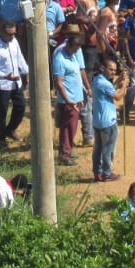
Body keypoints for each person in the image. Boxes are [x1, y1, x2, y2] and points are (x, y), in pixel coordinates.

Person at [0, 20, 29, 143]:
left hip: (16, 83)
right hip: (2, 85)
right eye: (9, 34)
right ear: (2, 32)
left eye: (13, 34)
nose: (12, 37)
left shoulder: (14, 42)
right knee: (2, 112)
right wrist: (5, 76)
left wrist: (27, 71)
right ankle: (1, 137)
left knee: (21, 107)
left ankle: (10, 130)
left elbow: (19, 58)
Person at [53, 24, 89, 166]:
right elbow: (59, 83)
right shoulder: (60, 57)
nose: (76, 51)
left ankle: (68, 152)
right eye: (75, 49)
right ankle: (65, 155)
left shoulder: (72, 55)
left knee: (72, 128)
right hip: (68, 101)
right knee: (67, 128)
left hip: (76, 98)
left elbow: (79, 73)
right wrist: (68, 100)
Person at [91, 56, 124, 181]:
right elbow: (118, 96)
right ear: (102, 68)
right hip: (108, 122)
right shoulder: (104, 83)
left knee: (98, 148)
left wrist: (119, 80)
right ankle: (106, 173)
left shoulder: (97, 80)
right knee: (108, 149)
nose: (113, 72)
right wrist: (125, 85)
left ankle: (97, 172)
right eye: (111, 70)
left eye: (115, 70)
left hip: (98, 121)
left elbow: (110, 88)